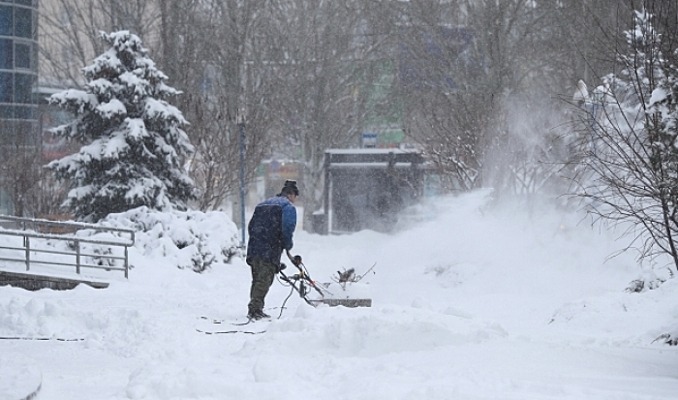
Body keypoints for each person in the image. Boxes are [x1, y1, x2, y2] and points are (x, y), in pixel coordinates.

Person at [245, 179, 300, 320]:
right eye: (295, 197)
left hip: (255, 246)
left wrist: (257, 239)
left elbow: (251, 226)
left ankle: (255, 306)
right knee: (265, 279)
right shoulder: (287, 207)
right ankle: (255, 309)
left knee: (257, 278)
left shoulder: (263, 204)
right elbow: (287, 228)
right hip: (269, 247)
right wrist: (287, 244)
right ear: (291, 195)